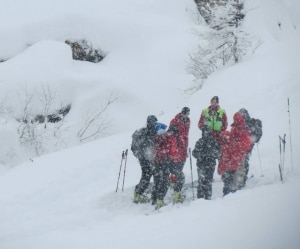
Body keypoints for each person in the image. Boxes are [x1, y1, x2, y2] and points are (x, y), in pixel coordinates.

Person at [196, 96, 227, 199]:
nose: (213, 103)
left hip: (217, 138)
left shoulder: (222, 112)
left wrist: (219, 133)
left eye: (215, 102)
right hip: (206, 137)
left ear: (217, 103)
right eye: (212, 101)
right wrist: (205, 129)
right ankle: (204, 190)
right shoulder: (205, 111)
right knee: (207, 158)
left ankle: (222, 176)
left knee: (218, 157)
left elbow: (225, 124)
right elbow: (200, 124)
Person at [217, 111, 252, 196]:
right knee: (231, 176)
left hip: (234, 157)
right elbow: (244, 143)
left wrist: (232, 144)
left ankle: (229, 194)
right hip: (234, 157)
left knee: (231, 177)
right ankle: (230, 193)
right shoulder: (239, 129)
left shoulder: (239, 130)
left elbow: (243, 144)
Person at [152, 125, 182, 208]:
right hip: (168, 162)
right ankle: (177, 196)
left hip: (159, 162)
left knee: (162, 181)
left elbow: (155, 150)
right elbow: (172, 152)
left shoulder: (162, 137)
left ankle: (159, 201)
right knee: (180, 177)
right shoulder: (170, 138)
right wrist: (175, 160)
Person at [131, 115, 158, 203]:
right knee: (148, 175)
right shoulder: (151, 132)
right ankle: (138, 194)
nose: (155, 124)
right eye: (154, 122)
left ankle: (139, 192)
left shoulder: (143, 132)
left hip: (143, 158)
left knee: (147, 174)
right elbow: (152, 145)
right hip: (148, 158)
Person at [236, 108, 263, 188]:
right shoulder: (247, 123)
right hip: (246, 145)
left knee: (243, 161)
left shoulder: (246, 123)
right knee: (244, 161)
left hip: (246, 146)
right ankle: (242, 178)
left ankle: (242, 179)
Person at [169, 107, 191, 203]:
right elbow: (170, 134)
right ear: (181, 112)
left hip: (183, 146)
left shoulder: (188, 121)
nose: (185, 115)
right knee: (176, 166)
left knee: (181, 165)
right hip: (176, 147)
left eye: (187, 113)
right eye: (184, 113)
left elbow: (186, 134)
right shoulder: (175, 121)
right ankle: (174, 184)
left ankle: (174, 181)